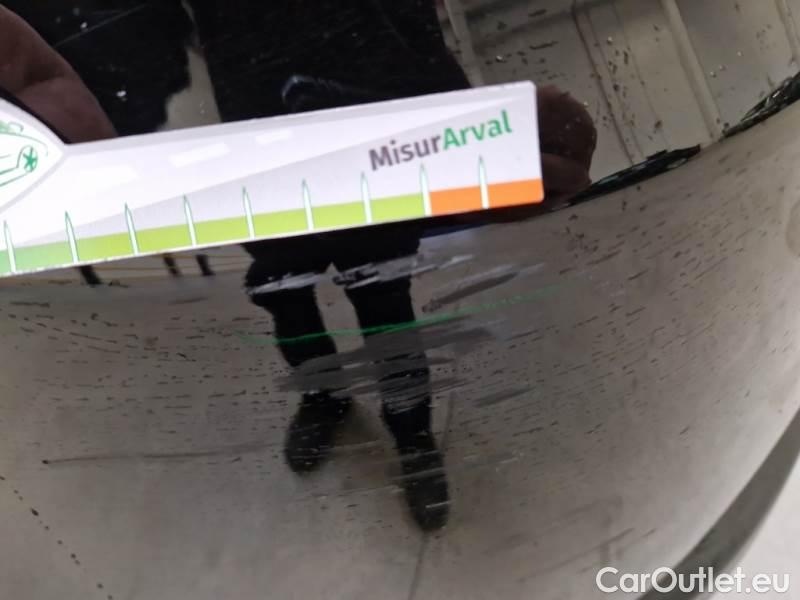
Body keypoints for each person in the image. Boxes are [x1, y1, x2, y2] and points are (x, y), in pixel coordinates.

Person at [0, 1, 597, 531]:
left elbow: (412, 22)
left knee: (382, 297)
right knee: (283, 291)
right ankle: (324, 395)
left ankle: (412, 436)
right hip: (261, 144)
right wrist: (109, 124)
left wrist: (464, 134)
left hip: (369, 137)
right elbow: (143, 29)